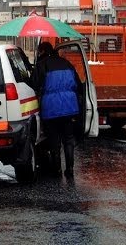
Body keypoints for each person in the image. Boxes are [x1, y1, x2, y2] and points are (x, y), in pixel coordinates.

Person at [31, 41, 82, 178]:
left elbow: (34, 85)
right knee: (69, 139)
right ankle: (70, 169)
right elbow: (78, 85)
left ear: (41, 51)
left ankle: (57, 170)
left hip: (51, 109)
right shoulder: (67, 64)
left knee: (54, 140)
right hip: (70, 108)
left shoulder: (41, 66)